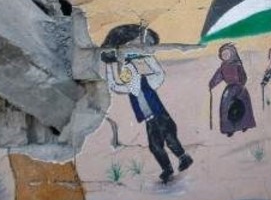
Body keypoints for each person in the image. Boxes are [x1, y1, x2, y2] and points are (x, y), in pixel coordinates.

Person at [104, 52, 192, 184]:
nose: (125, 76)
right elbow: (113, 86)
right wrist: (108, 65)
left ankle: (184, 158)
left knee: (170, 139)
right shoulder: (129, 88)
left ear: (133, 71)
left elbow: (160, 74)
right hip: (150, 122)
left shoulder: (147, 81)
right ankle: (167, 168)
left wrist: (147, 56)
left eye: (127, 72)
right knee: (155, 146)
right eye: (122, 74)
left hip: (162, 118)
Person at [208, 42, 256, 137]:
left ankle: (245, 124)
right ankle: (229, 129)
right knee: (226, 108)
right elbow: (218, 76)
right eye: (223, 54)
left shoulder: (237, 65)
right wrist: (212, 84)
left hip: (239, 88)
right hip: (229, 90)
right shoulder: (223, 67)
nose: (225, 56)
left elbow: (243, 77)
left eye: (227, 53)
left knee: (243, 107)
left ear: (232, 53)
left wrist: (241, 85)